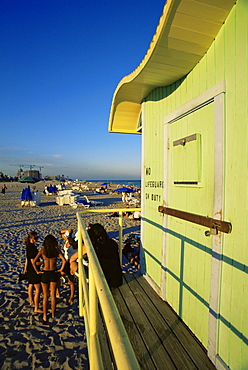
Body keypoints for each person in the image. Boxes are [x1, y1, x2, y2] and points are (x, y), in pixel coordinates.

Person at [32, 235, 66, 323]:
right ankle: (53, 313)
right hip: (54, 272)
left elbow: (34, 262)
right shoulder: (56, 250)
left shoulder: (43, 251)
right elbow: (64, 260)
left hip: (45, 273)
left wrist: (37, 271)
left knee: (45, 296)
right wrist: (61, 269)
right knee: (53, 295)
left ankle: (44, 315)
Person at [87, 223, 122, 289]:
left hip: (103, 280)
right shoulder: (113, 243)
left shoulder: (92, 246)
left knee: (76, 265)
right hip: (117, 279)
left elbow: (74, 257)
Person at [23, 231, 42, 312]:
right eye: (35, 238)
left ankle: (31, 301)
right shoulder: (32, 248)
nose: (36, 240)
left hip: (30, 268)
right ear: (30, 238)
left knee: (31, 285)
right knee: (37, 288)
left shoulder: (28, 246)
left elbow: (27, 259)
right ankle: (36, 307)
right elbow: (33, 261)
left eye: (37, 238)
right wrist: (44, 262)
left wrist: (25, 268)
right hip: (33, 269)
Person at [59, 229, 78, 304]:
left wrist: (69, 235)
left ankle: (72, 296)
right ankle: (59, 292)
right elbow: (60, 232)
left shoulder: (74, 244)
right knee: (60, 275)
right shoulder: (67, 241)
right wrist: (68, 231)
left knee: (71, 280)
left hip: (71, 262)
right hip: (66, 262)